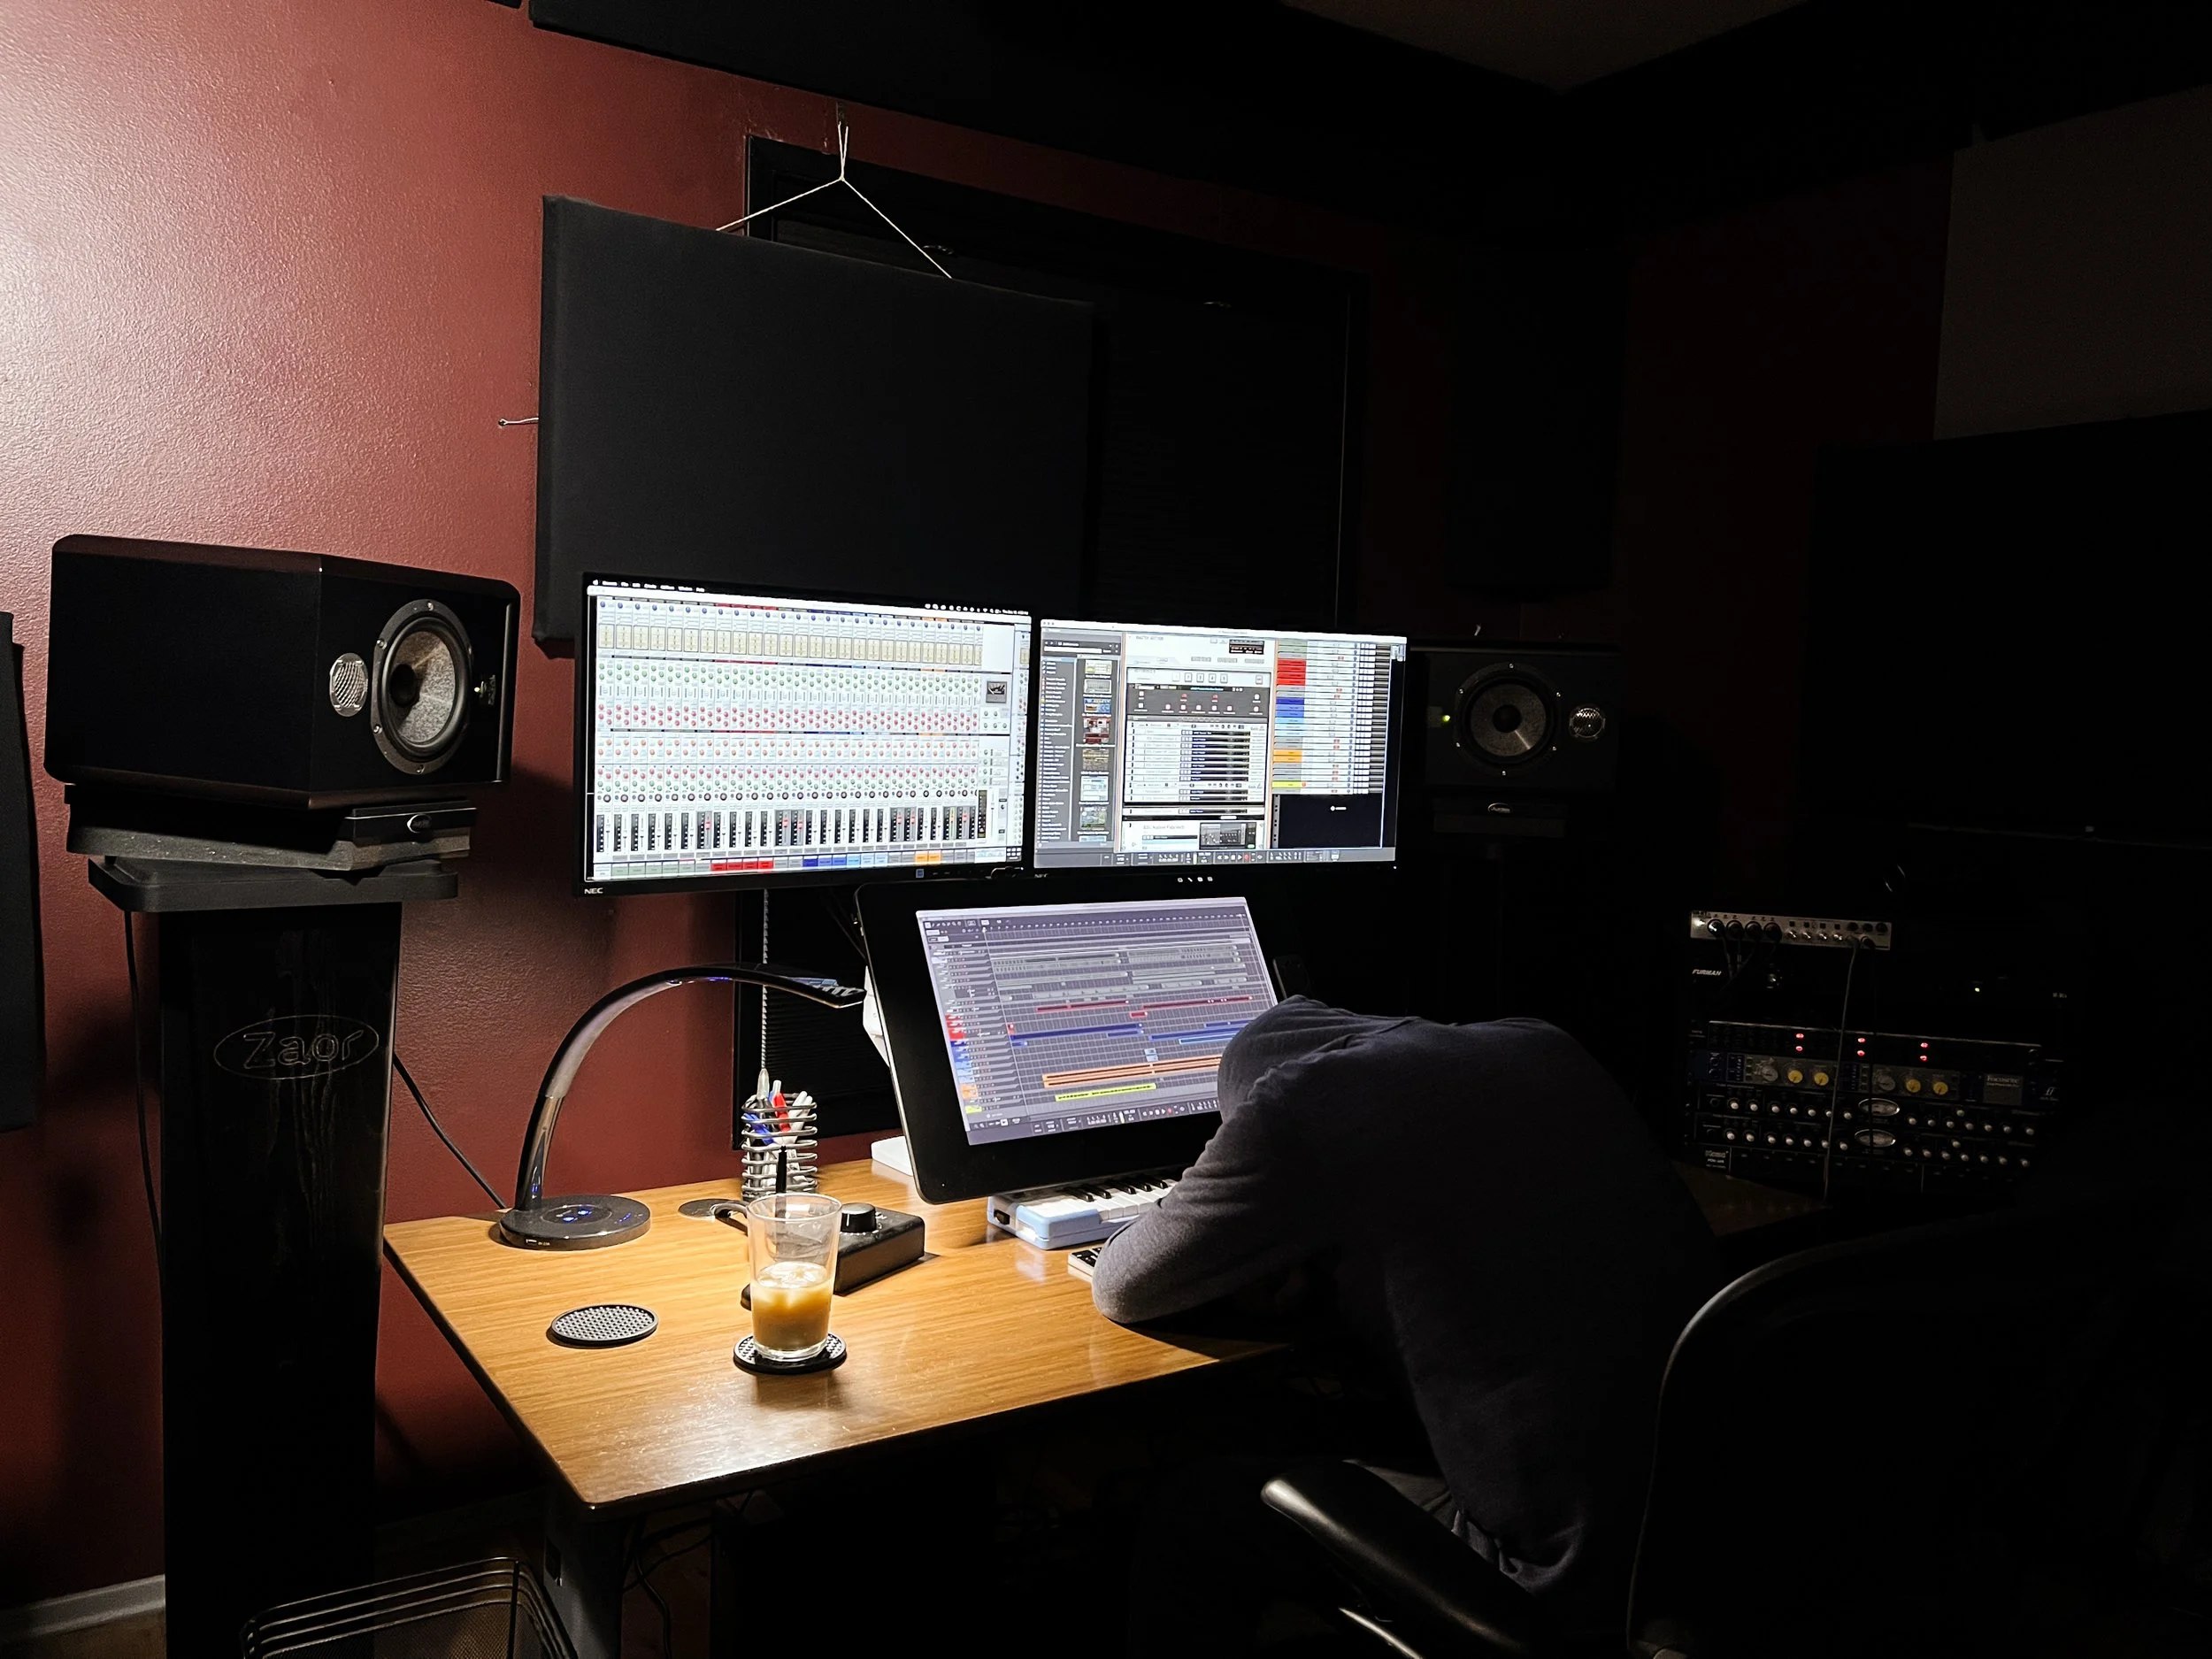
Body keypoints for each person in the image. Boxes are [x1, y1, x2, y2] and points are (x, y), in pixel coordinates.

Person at [1091, 995, 1718, 1648]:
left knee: (1191, 1508)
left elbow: (1123, 1285)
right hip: (1718, 1537)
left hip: (1561, 1578)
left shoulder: (1298, 1101)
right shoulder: (1542, 1042)